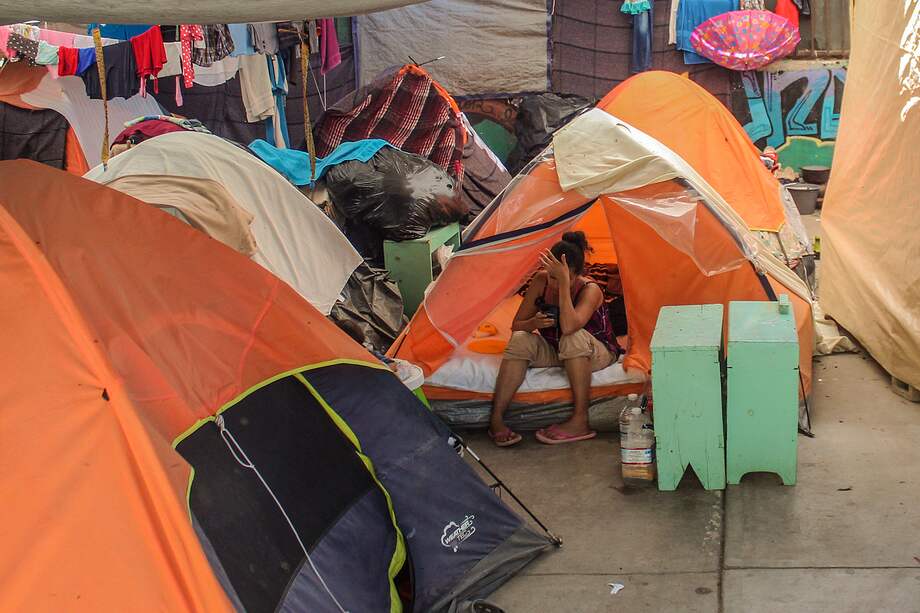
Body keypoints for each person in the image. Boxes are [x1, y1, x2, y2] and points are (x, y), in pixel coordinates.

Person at [489, 232, 619, 447]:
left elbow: (569, 326)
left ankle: (580, 420)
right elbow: (517, 326)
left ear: (576, 275)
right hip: (558, 349)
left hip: (598, 352)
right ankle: (496, 419)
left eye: (559, 277)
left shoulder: (590, 290)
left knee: (572, 336)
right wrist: (534, 324)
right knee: (521, 339)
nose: (552, 282)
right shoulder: (541, 281)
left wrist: (564, 287)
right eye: (551, 276)